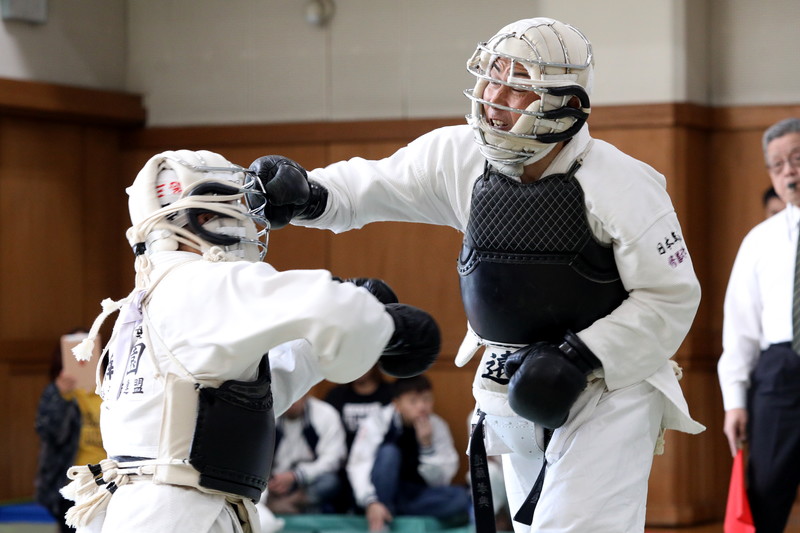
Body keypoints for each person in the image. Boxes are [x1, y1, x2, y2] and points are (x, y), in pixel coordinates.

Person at [248, 17, 705, 532]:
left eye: (517, 86)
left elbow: (671, 298)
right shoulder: (461, 156)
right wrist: (309, 194)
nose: (493, 94)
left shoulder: (624, 185)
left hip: (609, 388)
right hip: (511, 381)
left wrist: (581, 357)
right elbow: (373, 185)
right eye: (492, 75)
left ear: (567, 105)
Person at [59, 149, 441, 533]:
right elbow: (337, 311)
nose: (248, 221)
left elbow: (233, 400)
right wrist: (382, 326)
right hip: (180, 513)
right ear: (203, 218)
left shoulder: (140, 304)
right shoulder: (203, 283)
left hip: (156, 510)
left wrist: (318, 351)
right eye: (236, 207)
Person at [718, 117, 800, 532]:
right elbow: (740, 329)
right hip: (780, 374)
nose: (788, 171)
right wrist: (734, 399)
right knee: (765, 494)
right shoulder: (759, 241)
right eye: (777, 164)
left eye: (797, 159)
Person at [346, 375, 470, 532]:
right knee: (389, 453)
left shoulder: (437, 426)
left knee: (460, 497)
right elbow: (359, 465)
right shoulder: (377, 421)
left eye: (426, 399)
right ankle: (380, 510)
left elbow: (441, 480)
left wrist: (427, 446)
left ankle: (390, 511)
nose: (422, 406)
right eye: (413, 401)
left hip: (415, 494)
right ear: (397, 404)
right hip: (381, 491)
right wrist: (371, 501)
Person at [34, 331, 105, 533]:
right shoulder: (58, 393)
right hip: (72, 483)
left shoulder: (112, 391)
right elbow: (49, 434)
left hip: (110, 479)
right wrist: (59, 396)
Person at [324, 364, 394, 512]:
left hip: (378, 463)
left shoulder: (389, 394)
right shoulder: (336, 395)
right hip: (344, 465)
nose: (360, 368)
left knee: (390, 454)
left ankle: (381, 510)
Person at [264, 393, 346, 515]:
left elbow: (333, 458)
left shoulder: (325, 414)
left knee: (330, 482)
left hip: (307, 483)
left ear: (306, 393)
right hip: (274, 483)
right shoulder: (266, 414)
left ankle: (289, 504)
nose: (292, 402)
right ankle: (272, 506)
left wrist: (296, 476)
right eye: (288, 394)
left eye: (297, 394)